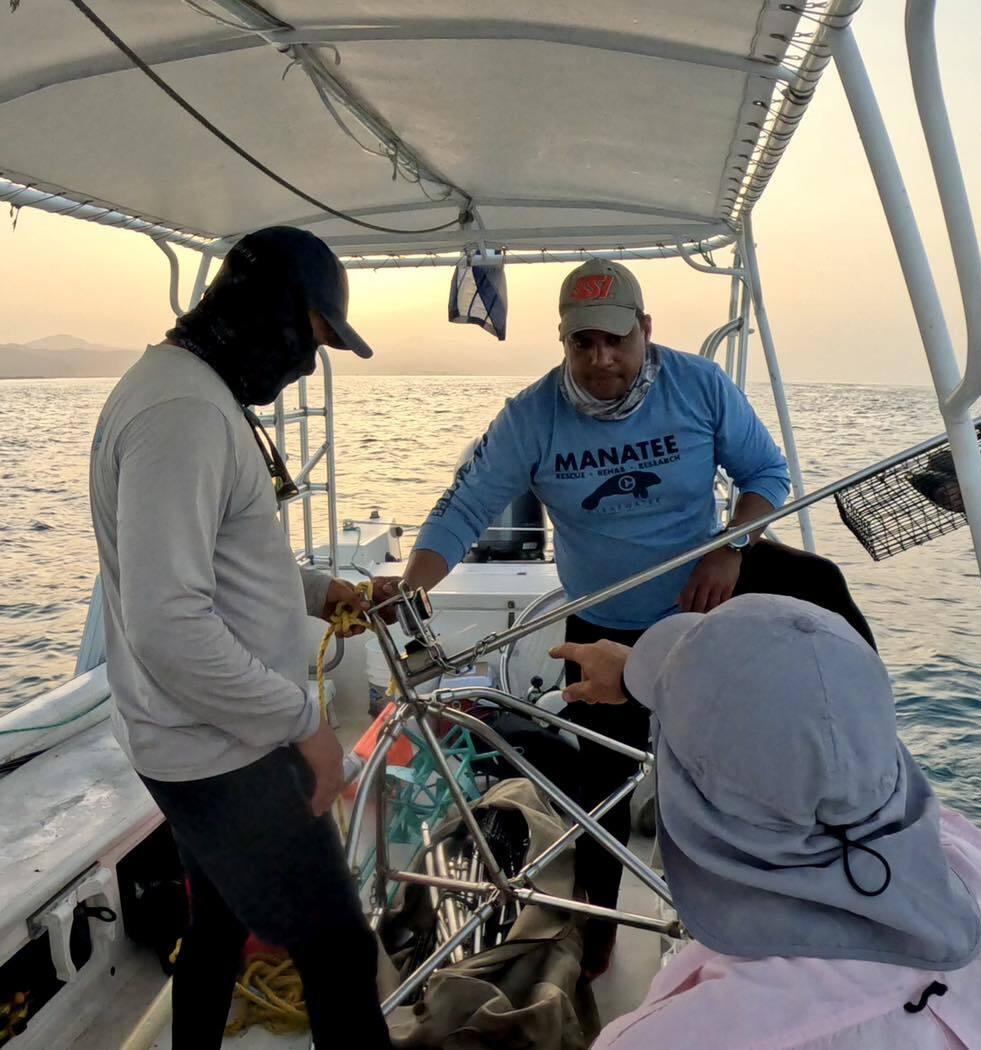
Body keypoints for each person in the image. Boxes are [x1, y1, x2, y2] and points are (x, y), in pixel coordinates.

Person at [391, 258, 873, 975]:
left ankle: (844, 798)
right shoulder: (531, 416)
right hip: (604, 623)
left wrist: (732, 546)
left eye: (616, 339)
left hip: (705, 606)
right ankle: (599, 928)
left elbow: (767, 475)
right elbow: (463, 509)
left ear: (645, 329)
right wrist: (412, 585)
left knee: (800, 619)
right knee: (601, 789)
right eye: (582, 343)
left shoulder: (699, 386)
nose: (601, 358)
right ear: (563, 343)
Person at [89, 227, 393, 1050]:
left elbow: (215, 559)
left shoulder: (184, 389)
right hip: (224, 753)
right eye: (314, 340)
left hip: (198, 739)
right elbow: (169, 625)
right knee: (336, 949)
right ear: (273, 316)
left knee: (216, 924)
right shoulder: (185, 413)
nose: (305, 367)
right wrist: (304, 723)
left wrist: (315, 589)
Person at [551, 594, 981, 1049]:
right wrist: (643, 675)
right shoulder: (978, 864)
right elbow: (818, 737)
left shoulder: (668, 1037)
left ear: (690, 802)